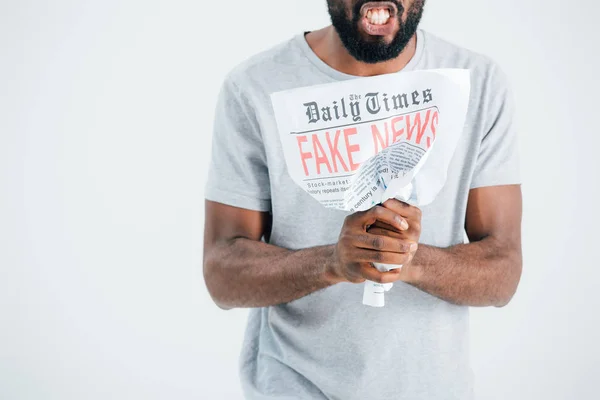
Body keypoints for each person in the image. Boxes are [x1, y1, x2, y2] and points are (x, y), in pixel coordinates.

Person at [203, 0, 522, 398]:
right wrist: (332, 263)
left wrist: (406, 257)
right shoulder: (255, 85)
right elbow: (222, 272)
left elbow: (503, 270)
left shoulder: (480, 83)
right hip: (293, 384)